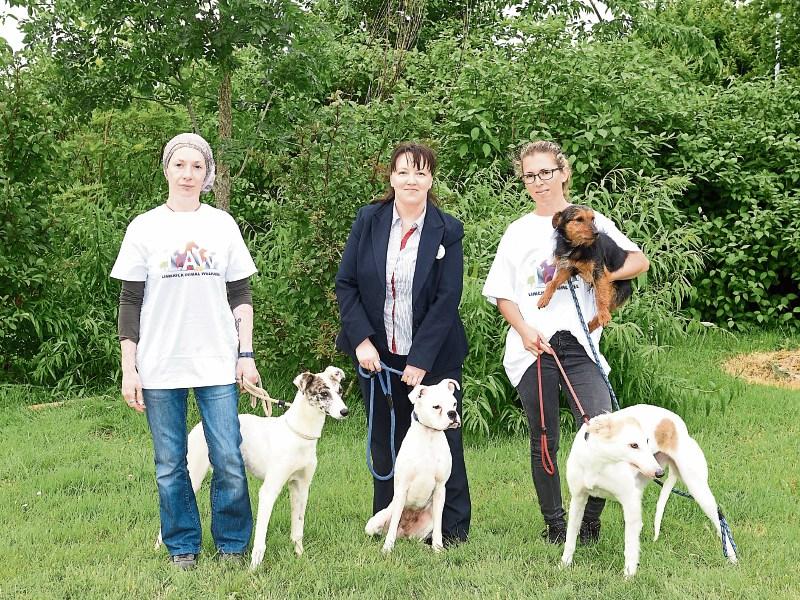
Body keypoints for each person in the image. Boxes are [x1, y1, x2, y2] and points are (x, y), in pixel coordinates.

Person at [482, 140, 649, 544]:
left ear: (563, 172)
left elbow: (638, 261)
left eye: (546, 172)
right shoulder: (518, 232)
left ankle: (590, 522)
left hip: (580, 344)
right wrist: (524, 332)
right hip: (533, 346)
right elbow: (502, 293)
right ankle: (556, 526)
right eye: (530, 175)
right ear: (524, 181)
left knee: (601, 426)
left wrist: (596, 272)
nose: (539, 182)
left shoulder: (593, 220)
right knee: (544, 437)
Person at [110, 133, 259, 569]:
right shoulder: (144, 227)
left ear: (207, 172)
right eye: (180, 165)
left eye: (197, 166)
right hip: (159, 364)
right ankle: (182, 546)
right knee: (170, 462)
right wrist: (129, 367)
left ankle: (232, 543)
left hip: (216, 360)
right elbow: (130, 301)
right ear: (167, 169)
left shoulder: (222, 225)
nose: (188, 174)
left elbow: (241, 293)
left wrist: (245, 354)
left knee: (228, 455)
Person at [335, 142, 471, 544]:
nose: (412, 180)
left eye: (422, 172)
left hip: (433, 356)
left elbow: (448, 298)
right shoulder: (368, 220)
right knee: (386, 438)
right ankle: (391, 522)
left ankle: (451, 528)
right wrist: (361, 341)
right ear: (391, 177)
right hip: (378, 355)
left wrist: (421, 360)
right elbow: (347, 284)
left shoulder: (448, 229)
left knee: (444, 440)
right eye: (404, 172)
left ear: (431, 179)